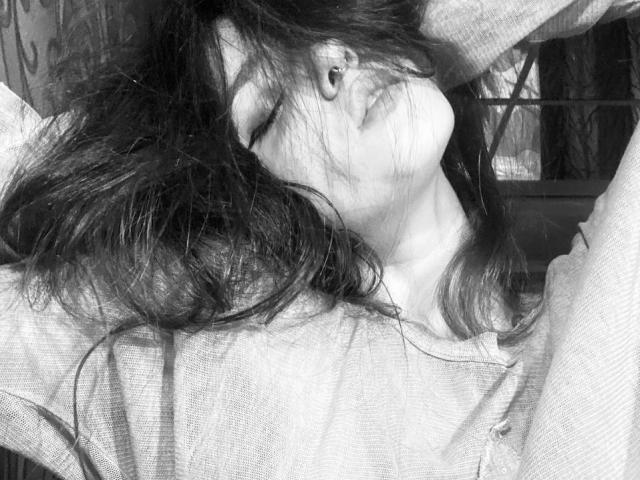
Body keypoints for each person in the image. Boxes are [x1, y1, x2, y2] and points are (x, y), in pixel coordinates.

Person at [0, 0, 638, 479]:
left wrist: (388, 24)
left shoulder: (605, 306)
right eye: (269, 109)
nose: (335, 60)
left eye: (335, 36)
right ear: (241, 197)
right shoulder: (203, 343)